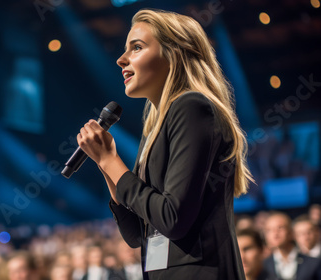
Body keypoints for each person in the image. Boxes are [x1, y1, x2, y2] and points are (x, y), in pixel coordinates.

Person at [77, 8, 254, 279]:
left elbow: (173, 219)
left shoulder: (191, 107)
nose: (121, 59)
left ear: (174, 53)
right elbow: (137, 235)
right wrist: (106, 165)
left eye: (136, 47)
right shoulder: (154, 130)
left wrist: (110, 162)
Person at [262, 211, 321, 280]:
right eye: (269, 230)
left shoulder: (313, 263)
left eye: (280, 228)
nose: (275, 233)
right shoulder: (263, 266)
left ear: (291, 232)